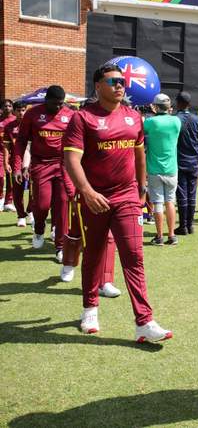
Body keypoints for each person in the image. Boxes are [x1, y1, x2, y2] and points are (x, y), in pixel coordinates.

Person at [63, 63, 172, 342]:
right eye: (113, 81)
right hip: (95, 199)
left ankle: (144, 322)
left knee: (134, 256)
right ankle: (90, 309)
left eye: (122, 81)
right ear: (98, 86)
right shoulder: (82, 118)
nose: (120, 85)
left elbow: (139, 155)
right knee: (94, 254)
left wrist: (142, 189)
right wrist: (87, 192)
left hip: (127, 197)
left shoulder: (133, 117)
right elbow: (71, 160)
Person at [13, 86, 74, 261]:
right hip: (41, 165)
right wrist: (18, 167)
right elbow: (21, 141)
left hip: (63, 165)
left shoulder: (70, 115)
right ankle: (39, 229)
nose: (58, 107)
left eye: (61, 103)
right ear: (46, 100)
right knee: (41, 205)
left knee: (62, 205)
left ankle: (60, 247)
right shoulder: (32, 114)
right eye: (55, 103)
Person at [144, 93, 181, 246]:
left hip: (154, 169)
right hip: (172, 168)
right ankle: (171, 235)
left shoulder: (150, 122)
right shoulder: (176, 121)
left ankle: (159, 236)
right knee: (170, 202)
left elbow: (141, 131)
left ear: (155, 107)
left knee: (158, 203)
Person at [174, 91, 198, 235]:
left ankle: (183, 226)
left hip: (179, 161)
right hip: (194, 162)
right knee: (192, 194)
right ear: (189, 104)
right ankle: (190, 225)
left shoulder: (174, 120)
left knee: (181, 195)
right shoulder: (197, 120)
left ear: (177, 103)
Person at [3, 102, 31, 226]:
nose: (21, 113)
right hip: (15, 162)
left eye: (23, 110)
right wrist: (5, 162)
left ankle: (30, 211)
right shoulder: (9, 127)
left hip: (32, 162)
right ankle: (21, 216)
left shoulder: (32, 124)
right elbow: (6, 147)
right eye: (19, 110)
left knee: (34, 190)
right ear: (14, 111)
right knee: (17, 190)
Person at [0, 98, 15, 211]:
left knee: (12, 178)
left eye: (9, 106)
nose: (7, 108)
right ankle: (0, 198)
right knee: (0, 177)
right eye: (5, 106)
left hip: (13, 153)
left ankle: (8, 202)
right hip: (0, 152)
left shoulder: (15, 120)